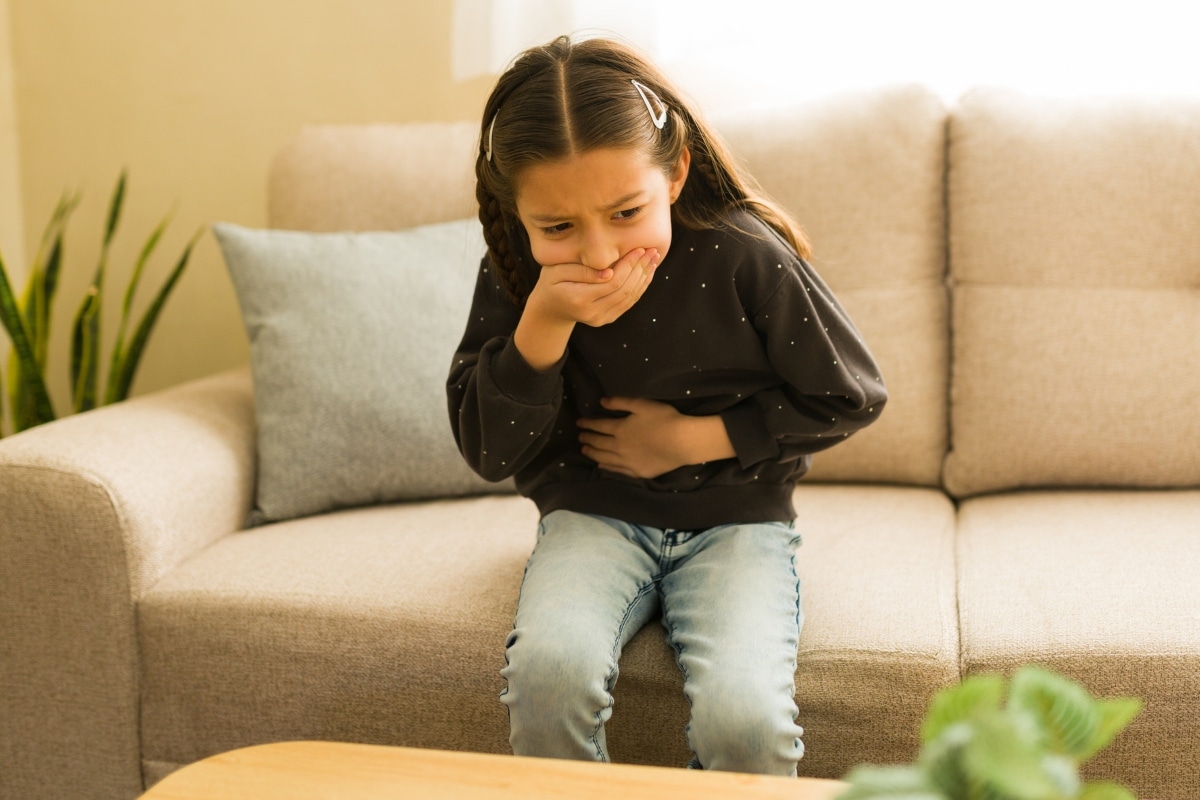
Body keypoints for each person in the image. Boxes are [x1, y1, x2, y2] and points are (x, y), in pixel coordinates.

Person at [447, 34, 886, 776]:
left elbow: (851, 393)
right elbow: (488, 453)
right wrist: (544, 324)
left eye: (625, 212)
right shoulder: (518, 276)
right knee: (547, 679)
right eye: (558, 227)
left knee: (747, 724)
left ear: (675, 170)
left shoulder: (745, 254)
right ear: (514, 211)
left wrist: (698, 440)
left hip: (736, 523)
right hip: (592, 515)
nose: (597, 254)